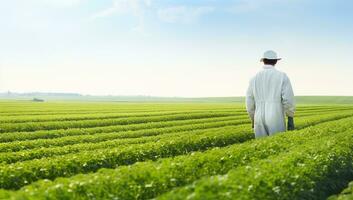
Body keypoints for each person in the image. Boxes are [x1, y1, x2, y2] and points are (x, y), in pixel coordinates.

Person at [246, 50, 295, 138]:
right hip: (276, 116)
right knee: (277, 144)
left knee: (262, 146)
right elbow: (288, 99)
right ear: (276, 61)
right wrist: (290, 117)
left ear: (263, 61)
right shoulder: (282, 76)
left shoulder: (253, 78)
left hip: (259, 117)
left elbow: (249, 102)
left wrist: (253, 119)